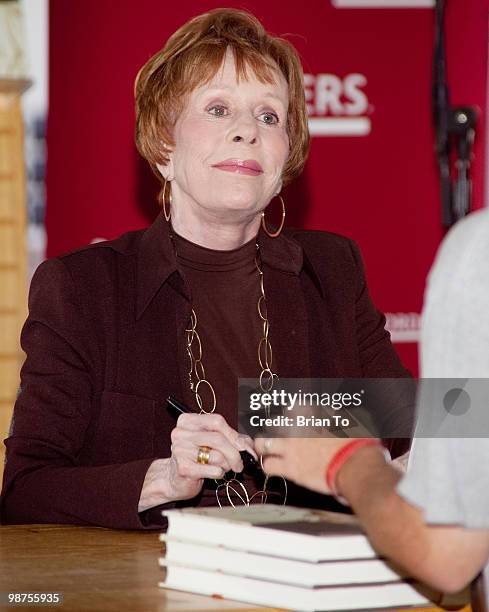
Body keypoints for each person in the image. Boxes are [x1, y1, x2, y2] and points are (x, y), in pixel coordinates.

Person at [0, 8, 411, 530]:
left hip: (305, 587)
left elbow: (410, 427)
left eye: (269, 116)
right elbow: (24, 489)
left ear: (285, 161)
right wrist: (163, 477)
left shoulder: (332, 268)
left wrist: (314, 421)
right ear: (164, 146)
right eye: (218, 109)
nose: (247, 132)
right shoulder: (83, 288)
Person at [256, 207, 489, 601]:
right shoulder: (114, 276)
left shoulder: (476, 257)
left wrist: (348, 462)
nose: (245, 140)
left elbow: (445, 552)